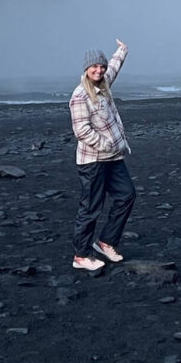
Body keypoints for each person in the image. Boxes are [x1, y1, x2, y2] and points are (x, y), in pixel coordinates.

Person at [69, 38, 136, 272]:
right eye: (94, 67)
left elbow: (114, 66)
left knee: (127, 195)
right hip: (93, 162)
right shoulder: (80, 96)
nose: (98, 70)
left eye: (101, 66)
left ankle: (106, 242)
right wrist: (106, 144)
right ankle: (81, 255)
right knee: (90, 209)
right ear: (85, 69)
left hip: (114, 159)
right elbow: (81, 131)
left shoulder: (104, 82)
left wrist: (122, 50)